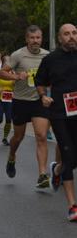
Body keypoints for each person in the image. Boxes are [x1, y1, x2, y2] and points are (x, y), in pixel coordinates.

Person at [0, 25, 51, 188]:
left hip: (38, 100)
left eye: (38, 38)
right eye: (32, 38)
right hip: (20, 101)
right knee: (18, 137)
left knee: (41, 136)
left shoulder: (47, 55)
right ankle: (12, 156)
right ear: (26, 39)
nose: (35, 41)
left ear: (42, 38)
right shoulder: (18, 55)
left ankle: (42, 174)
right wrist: (16, 76)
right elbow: (1, 73)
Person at [35, 23, 77, 221]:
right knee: (69, 155)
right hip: (59, 113)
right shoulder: (50, 59)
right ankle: (72, 206)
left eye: (74, 33)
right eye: (67, 34)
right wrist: (43, 96)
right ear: (60, 39)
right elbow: (40, 82)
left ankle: (56, 169)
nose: (71, 37)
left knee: (72, 159)